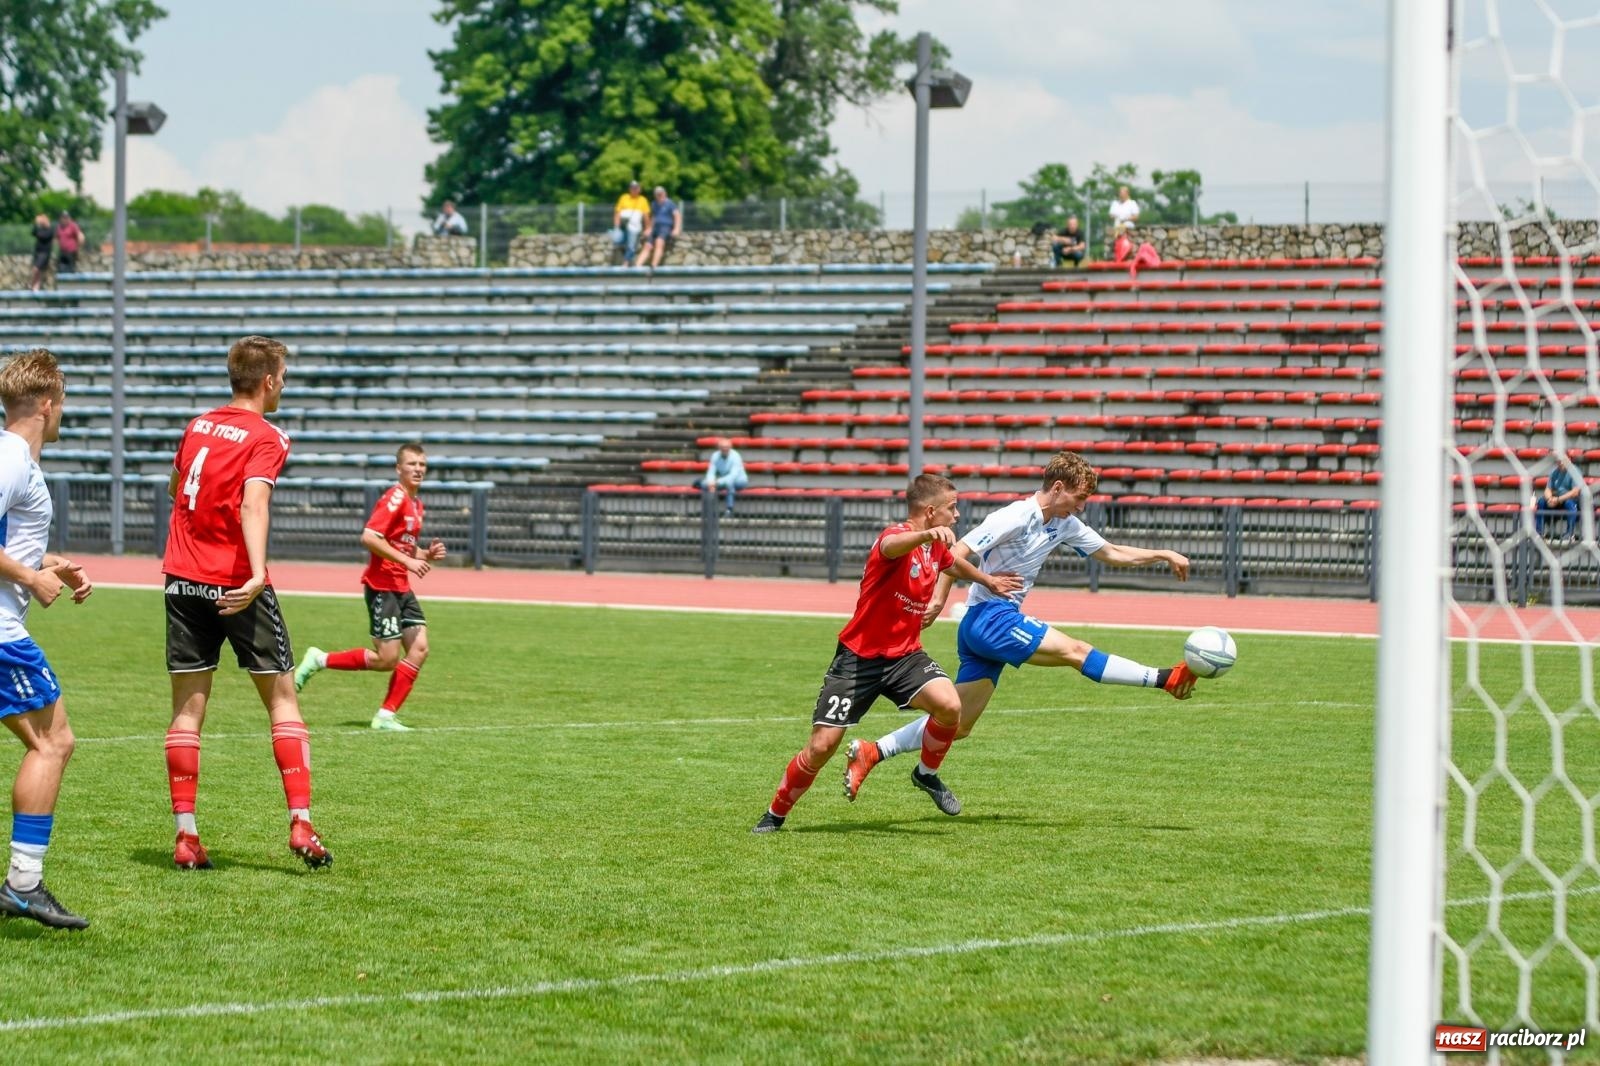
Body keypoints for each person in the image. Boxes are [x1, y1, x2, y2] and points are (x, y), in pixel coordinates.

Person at [844, 452, 1198, 812]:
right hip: (989, 617)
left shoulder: (1065, 524)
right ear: (1058, 488)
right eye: (1079, 498)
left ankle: (875, 752)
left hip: (989, 624)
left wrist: (1163, 553)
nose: (1080, 508)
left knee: (959, 724)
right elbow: (958, 550)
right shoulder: (1014, 516)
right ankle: (1164, 679)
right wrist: (938, 598)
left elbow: (1110, 552)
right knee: (1076, 652)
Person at [752, 474, 1023, 833]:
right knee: (821, 747)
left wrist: (987, 580)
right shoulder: (895, 537)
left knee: (950, 706)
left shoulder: (933, 546)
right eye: (951, 508)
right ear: (930, 512)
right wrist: (926, 535)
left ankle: (926, 775)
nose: (957, 515)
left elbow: (950, 563)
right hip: (858, 658)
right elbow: (892, 546)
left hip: (904, 656)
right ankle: (775, 814)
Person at [161, 334, 332, 871]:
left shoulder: (197, 425)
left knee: (188, 710)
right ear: (269, 380)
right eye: (282, 376)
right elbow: (253, 502)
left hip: (181, 578)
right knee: (282, 701)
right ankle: (301, 825)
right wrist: (258, 571)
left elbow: (174, 488)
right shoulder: (268, 435)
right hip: (235, 581)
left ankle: (186, 836)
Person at [0, 350, 93, 930]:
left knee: (53, 741)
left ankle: (22, 885)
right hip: (2, 633)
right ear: (47, 404)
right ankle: (23, 884)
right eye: (61, 405)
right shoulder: (11, 456)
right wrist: (30, 577)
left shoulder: (18, 460)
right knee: (53, 743)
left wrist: (49, 564)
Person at [293, 442, 447, 731]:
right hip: (382, 586)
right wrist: (409, 561)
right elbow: (370, 537)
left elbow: (401, 545)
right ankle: (318, 659)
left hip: (401, 586)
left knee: (420, 648)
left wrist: (425, 555)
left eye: (422, 465)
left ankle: (385, 716)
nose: (418, 469)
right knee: (387, 659)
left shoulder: (416, 503)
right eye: (412, 464)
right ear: (398, 468)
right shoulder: (395, 498)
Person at [693, 438, 748, 515]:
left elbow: (733, 476)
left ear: (730, 447)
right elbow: (711, 472)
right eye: (723, 448)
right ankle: (708, 510)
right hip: (722, 480)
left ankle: (729, 509)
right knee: (706, 485)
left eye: (727, 448)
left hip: (739, 481)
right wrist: (711, 483)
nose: (725, 450)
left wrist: (716, 482)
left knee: (729, 484)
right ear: (719, 448)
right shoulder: (715, 456)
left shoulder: (736, 456)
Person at [1532, 461, 1583, 541]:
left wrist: (1558, 499)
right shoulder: (1554, 472)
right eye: (1559, 461)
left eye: (1563, 461)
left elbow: (1575, 492)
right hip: (1557, 499)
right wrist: (1550, 499)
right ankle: (1539, 532)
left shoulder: (1575, 472)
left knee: (1569, 504)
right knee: (1541, 502)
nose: (1561, 463)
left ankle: (1570, 534)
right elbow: (1548, 490)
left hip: (1571, 500)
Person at [612, 180, 650, 267]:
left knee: (631, 246)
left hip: (634, 227)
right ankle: (626, 260)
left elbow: (646, 216)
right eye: (632, 188)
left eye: (636, 188)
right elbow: (617, 212)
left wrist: (648, 228)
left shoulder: (643, 200)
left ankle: (625, 263)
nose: (634, 189)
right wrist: (616, 227)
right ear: (629, 189)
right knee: (618, 242)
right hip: (623, 226)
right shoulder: (624, 197)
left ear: (639, 189)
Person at [644, 185, 682, 269]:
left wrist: (676, 229)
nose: (659, 196)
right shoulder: (654, 204)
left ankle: (653, 266)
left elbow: (677, 216)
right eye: (658, 194)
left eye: (661, 194)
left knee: (659, 242)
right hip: (655, 228)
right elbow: (653, 217)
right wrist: (649, 228)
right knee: (647, 246)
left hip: (665, 227)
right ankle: (636, 268)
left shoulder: (670, 203)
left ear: (665, 194)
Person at [28, 214, 54, 292]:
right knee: (39, 271)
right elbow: (33, 233)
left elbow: (42, 236)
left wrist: (39, 227)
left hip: (44, 253)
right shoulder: (40, 229)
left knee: (36, 269)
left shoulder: (50, 230)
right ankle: (36, 287)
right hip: (38, 252)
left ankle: (32, 284)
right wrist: (36, 224)